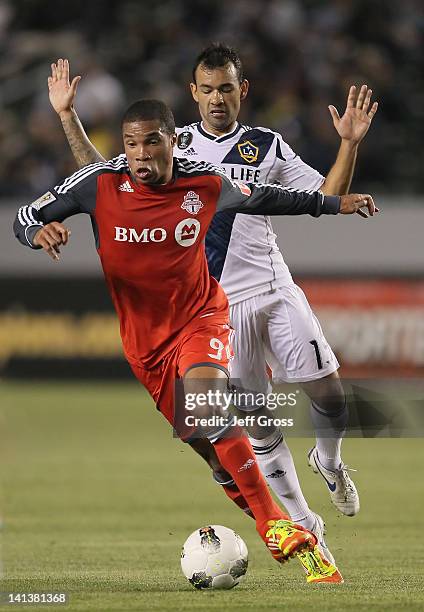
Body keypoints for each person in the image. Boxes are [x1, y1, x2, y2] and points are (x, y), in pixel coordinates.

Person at [14, 98, 376, 583]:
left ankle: (276, 525)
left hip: (201, 317)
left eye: (150, 141)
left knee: (208, 404)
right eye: (130, 143)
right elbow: (23, 217)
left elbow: (269, 197)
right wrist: (40, 231)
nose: (140, 154)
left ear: (171, 140)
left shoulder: (202, 182)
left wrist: (334, 203)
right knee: (216, 457)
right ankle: (297, 532)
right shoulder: (98, 183)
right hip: (146, 346)